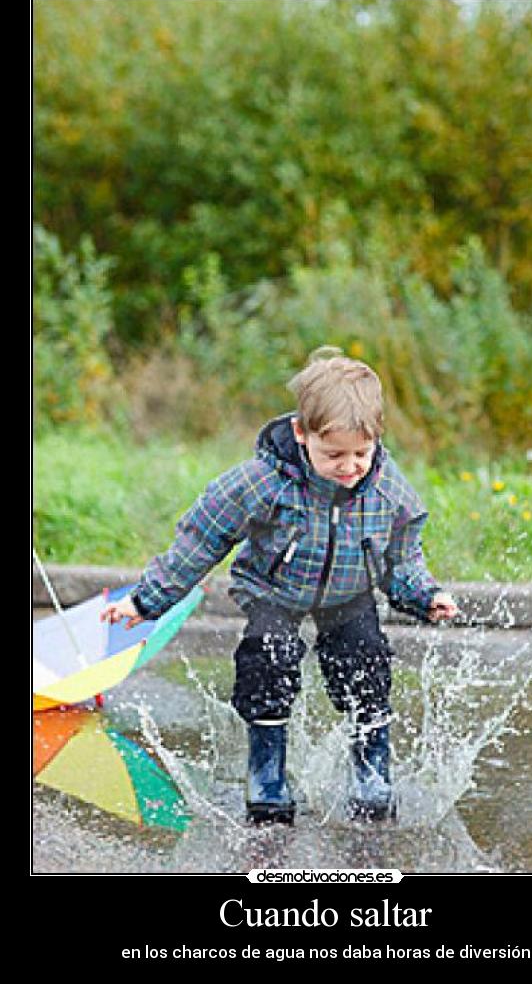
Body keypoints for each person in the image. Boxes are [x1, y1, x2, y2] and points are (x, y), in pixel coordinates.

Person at [101, 347, 458, 825]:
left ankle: (372, 769)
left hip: (350, 593)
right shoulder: (263, 482)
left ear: (376, 439)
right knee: (268, 656)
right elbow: (203, 538)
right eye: (333, 454)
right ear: (300, 434)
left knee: (366, 662)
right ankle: (267, 771)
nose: (350, 465)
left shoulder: (387, 491)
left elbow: (402, 557)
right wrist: (147, 601)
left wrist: (424, 594)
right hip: (274, 590)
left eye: (361, 452)